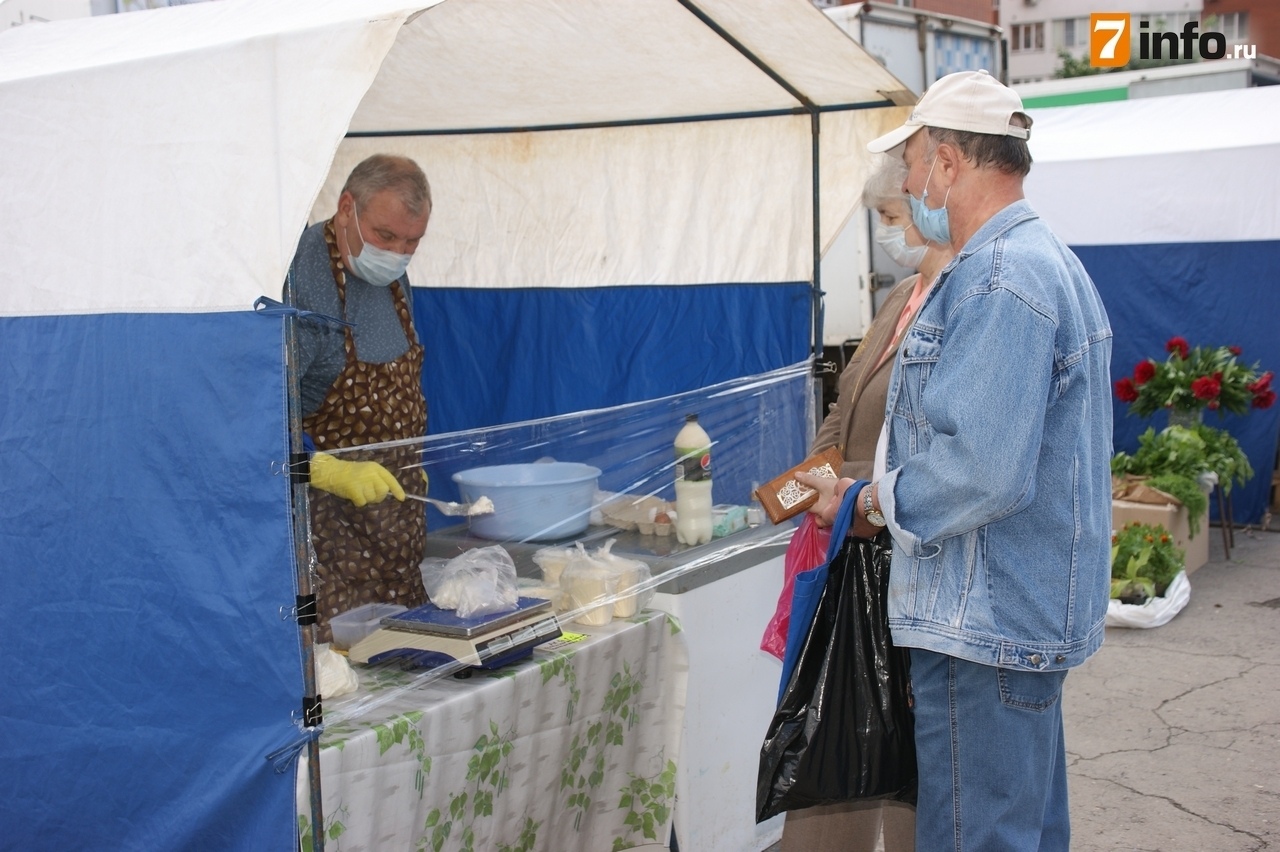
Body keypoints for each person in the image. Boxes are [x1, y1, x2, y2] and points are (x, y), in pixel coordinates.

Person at [798, 70, 1113, 850]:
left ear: (946, 161)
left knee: (978, 833)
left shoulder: (1003, 277)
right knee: (1019, 828)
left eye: (911, 162)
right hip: (1006, 613)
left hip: (985, 618)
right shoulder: (1032, 262)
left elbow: (982, 469)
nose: (906, 183)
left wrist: (865, 502)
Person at [781, 158, 953, 852]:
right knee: (843, 740)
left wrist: (839, 489)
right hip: (851, 545)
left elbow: (926, 456)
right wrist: (787, 494)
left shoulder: (955, 306)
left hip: (901, 550)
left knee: (902, 752)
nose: (885, 234)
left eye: (889, 218)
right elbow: (842, 408)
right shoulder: (900, 298)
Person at [287, 154, 433, 643]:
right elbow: (257, 415)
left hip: (398, 532)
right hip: (330, 547)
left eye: (413, 241)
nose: (397, 253)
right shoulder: (301, 278)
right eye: (386, 236)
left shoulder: (392, 275)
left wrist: (408, 455)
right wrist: (325, 468)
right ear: (346, 207)